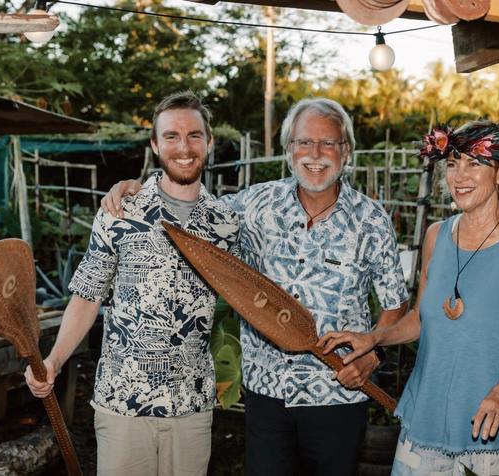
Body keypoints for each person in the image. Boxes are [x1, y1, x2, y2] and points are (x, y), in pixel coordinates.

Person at [101, 97, 409, 476]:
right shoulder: (255, 205)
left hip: (337, 394)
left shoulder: (372, 220)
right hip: (267, 394)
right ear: (288, 150)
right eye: (303, 143)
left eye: (328, 143)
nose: (315, 154)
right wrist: (137, 188)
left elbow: (396, 303)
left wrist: (372, 353)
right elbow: (193, 207)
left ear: (346, 151)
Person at [318, 121, 499, 476]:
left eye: (474, 164)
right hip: (425, 422)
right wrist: (374, 338)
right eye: (452, 163)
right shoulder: (437, 235)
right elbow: (421, 317)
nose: (459, 176)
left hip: (492, 430)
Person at [24, 91, 240, 476]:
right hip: (124, 403)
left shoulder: (226, 225)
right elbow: (88, 295)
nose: (184, 147)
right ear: (155, 145)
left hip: (191, 406)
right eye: (171, 136)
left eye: (194, 135)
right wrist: (53, 360)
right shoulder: (120, 211)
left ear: (209, 143)